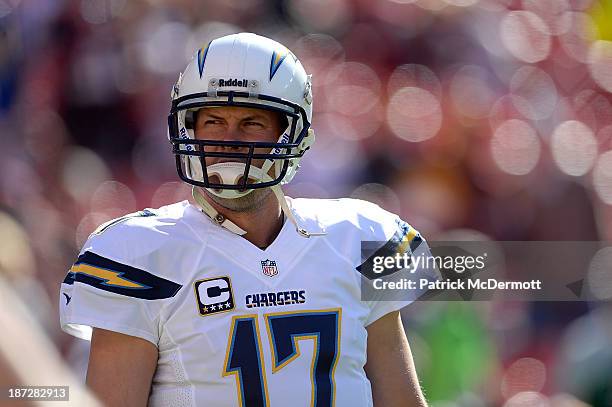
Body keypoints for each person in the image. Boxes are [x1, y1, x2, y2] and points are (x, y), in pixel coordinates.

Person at [60, 32, 430, 407]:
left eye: (252, 123)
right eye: (214, 121)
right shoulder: (140, 254)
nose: (230, 139)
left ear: (291, 135)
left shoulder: (355, 237)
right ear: (187, 128)